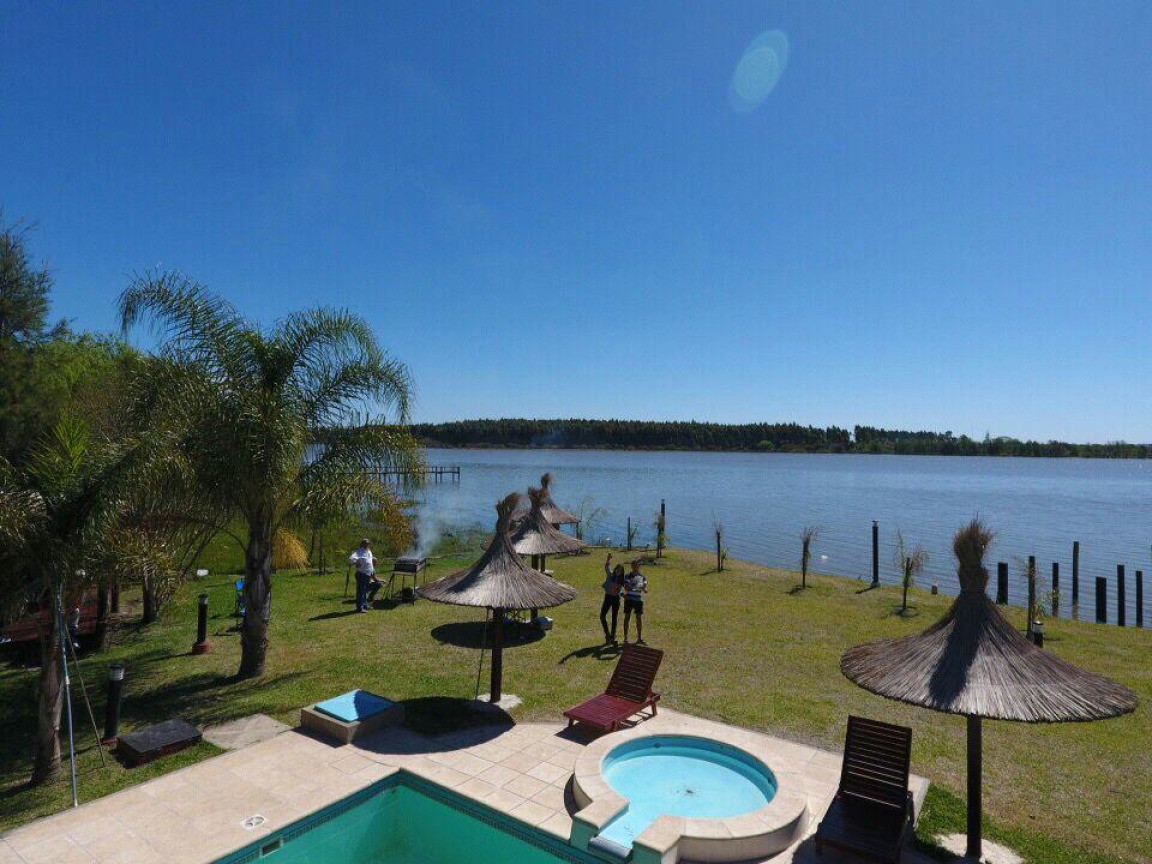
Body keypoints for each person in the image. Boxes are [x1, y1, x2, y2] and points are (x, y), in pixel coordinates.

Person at [348, 539, 381, 612]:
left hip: (368, 574)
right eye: (366, 544)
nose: (368, 545)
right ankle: (360, 607)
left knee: (363, 591)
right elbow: (351, 559)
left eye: (368, 543)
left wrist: (373, 559)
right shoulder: (359, 552)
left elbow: (368, 559)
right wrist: (356, 563)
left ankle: (365, 605)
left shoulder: (368, 551)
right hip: (362, 574)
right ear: (363, 544)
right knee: (361, 591)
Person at [622, 559, 648, 645]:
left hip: (638, 600)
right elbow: (626, 587)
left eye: (637, 565)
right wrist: (638, 588)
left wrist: (643, 588)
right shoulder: (627, 575)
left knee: (639, 618)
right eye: (634, 565)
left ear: (639, 566)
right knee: (627, 618)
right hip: (629, 599)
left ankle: (639, 638)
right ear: (631, 566)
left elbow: (644, 587)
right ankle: (625, 639)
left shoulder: (643, 577)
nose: (635, 566)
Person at [600, 553, 625, 643]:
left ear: (622, 572)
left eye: (620, 571)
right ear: (615, 569)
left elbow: (622, 590)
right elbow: (607, 567)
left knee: (614, 618)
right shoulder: (610, 575)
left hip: (616, 599)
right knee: (602, 616)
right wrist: (608, 559)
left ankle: (612, 636)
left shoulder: (621, 581)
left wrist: (622, 594)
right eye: (617, 569)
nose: (618, 571)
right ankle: (607, 634)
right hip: (608, 597)